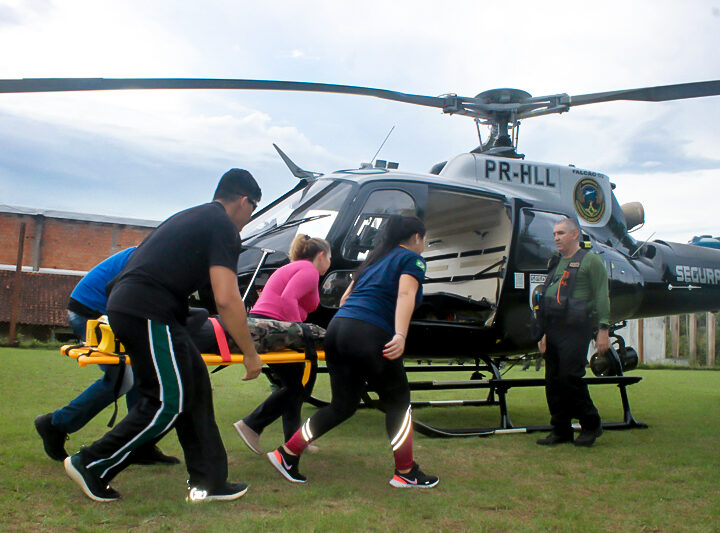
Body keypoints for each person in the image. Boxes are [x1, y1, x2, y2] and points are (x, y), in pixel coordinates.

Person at [62, 168, 264, 503]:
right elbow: (227, 299)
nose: (249, 219)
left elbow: (212, 297)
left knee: (195, 386)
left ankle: (209, 482)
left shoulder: (192, 218)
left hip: (144, 308)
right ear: (244, 201)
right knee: (167, 402)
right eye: (253, 210)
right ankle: (92, 464)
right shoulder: (223, 226)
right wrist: (250, 352)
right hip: (147, 310)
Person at [266, 215, 439, 488]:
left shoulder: (372, 262)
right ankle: (405, 472)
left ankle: (287, 453)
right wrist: (400, 334)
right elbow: (405, 295)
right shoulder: (412, 260)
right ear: (416, 237)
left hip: (338, 329)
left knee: (342, 405)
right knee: (398, 401)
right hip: (369, 333)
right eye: (424, 238)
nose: (425, 244)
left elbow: (346, 298)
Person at [34, 247, 178, 466]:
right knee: (123, 379)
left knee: (142, 374)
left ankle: (140, 444)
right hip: (92, 313)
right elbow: (122, 289)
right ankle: (55, 424)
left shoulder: (160, 250)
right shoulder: (154, 253)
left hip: (102, 310)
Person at [233, 235, 331, 454]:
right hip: (273, 328)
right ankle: (251, 424)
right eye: (330, 257)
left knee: (295, 385)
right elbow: (288, 298)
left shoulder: (296, 267)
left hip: (267, 325)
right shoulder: (308, 270)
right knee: (298, 386)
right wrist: (300, 333)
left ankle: (293, 442)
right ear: (322, 255)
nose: (330, 263)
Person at [536, 217, 610, 447]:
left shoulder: (591, 261)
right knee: (553, 381)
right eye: (555, 234)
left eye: (561, 233)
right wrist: (543, 333)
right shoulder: (556, 262)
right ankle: (561, 429)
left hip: (576, 328)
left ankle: (591, 424)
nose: (556, 238)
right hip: (553, 329)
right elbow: (548, 297)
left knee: (570, 377)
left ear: (575, 234)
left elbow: (602, 296)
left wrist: (604, 330)